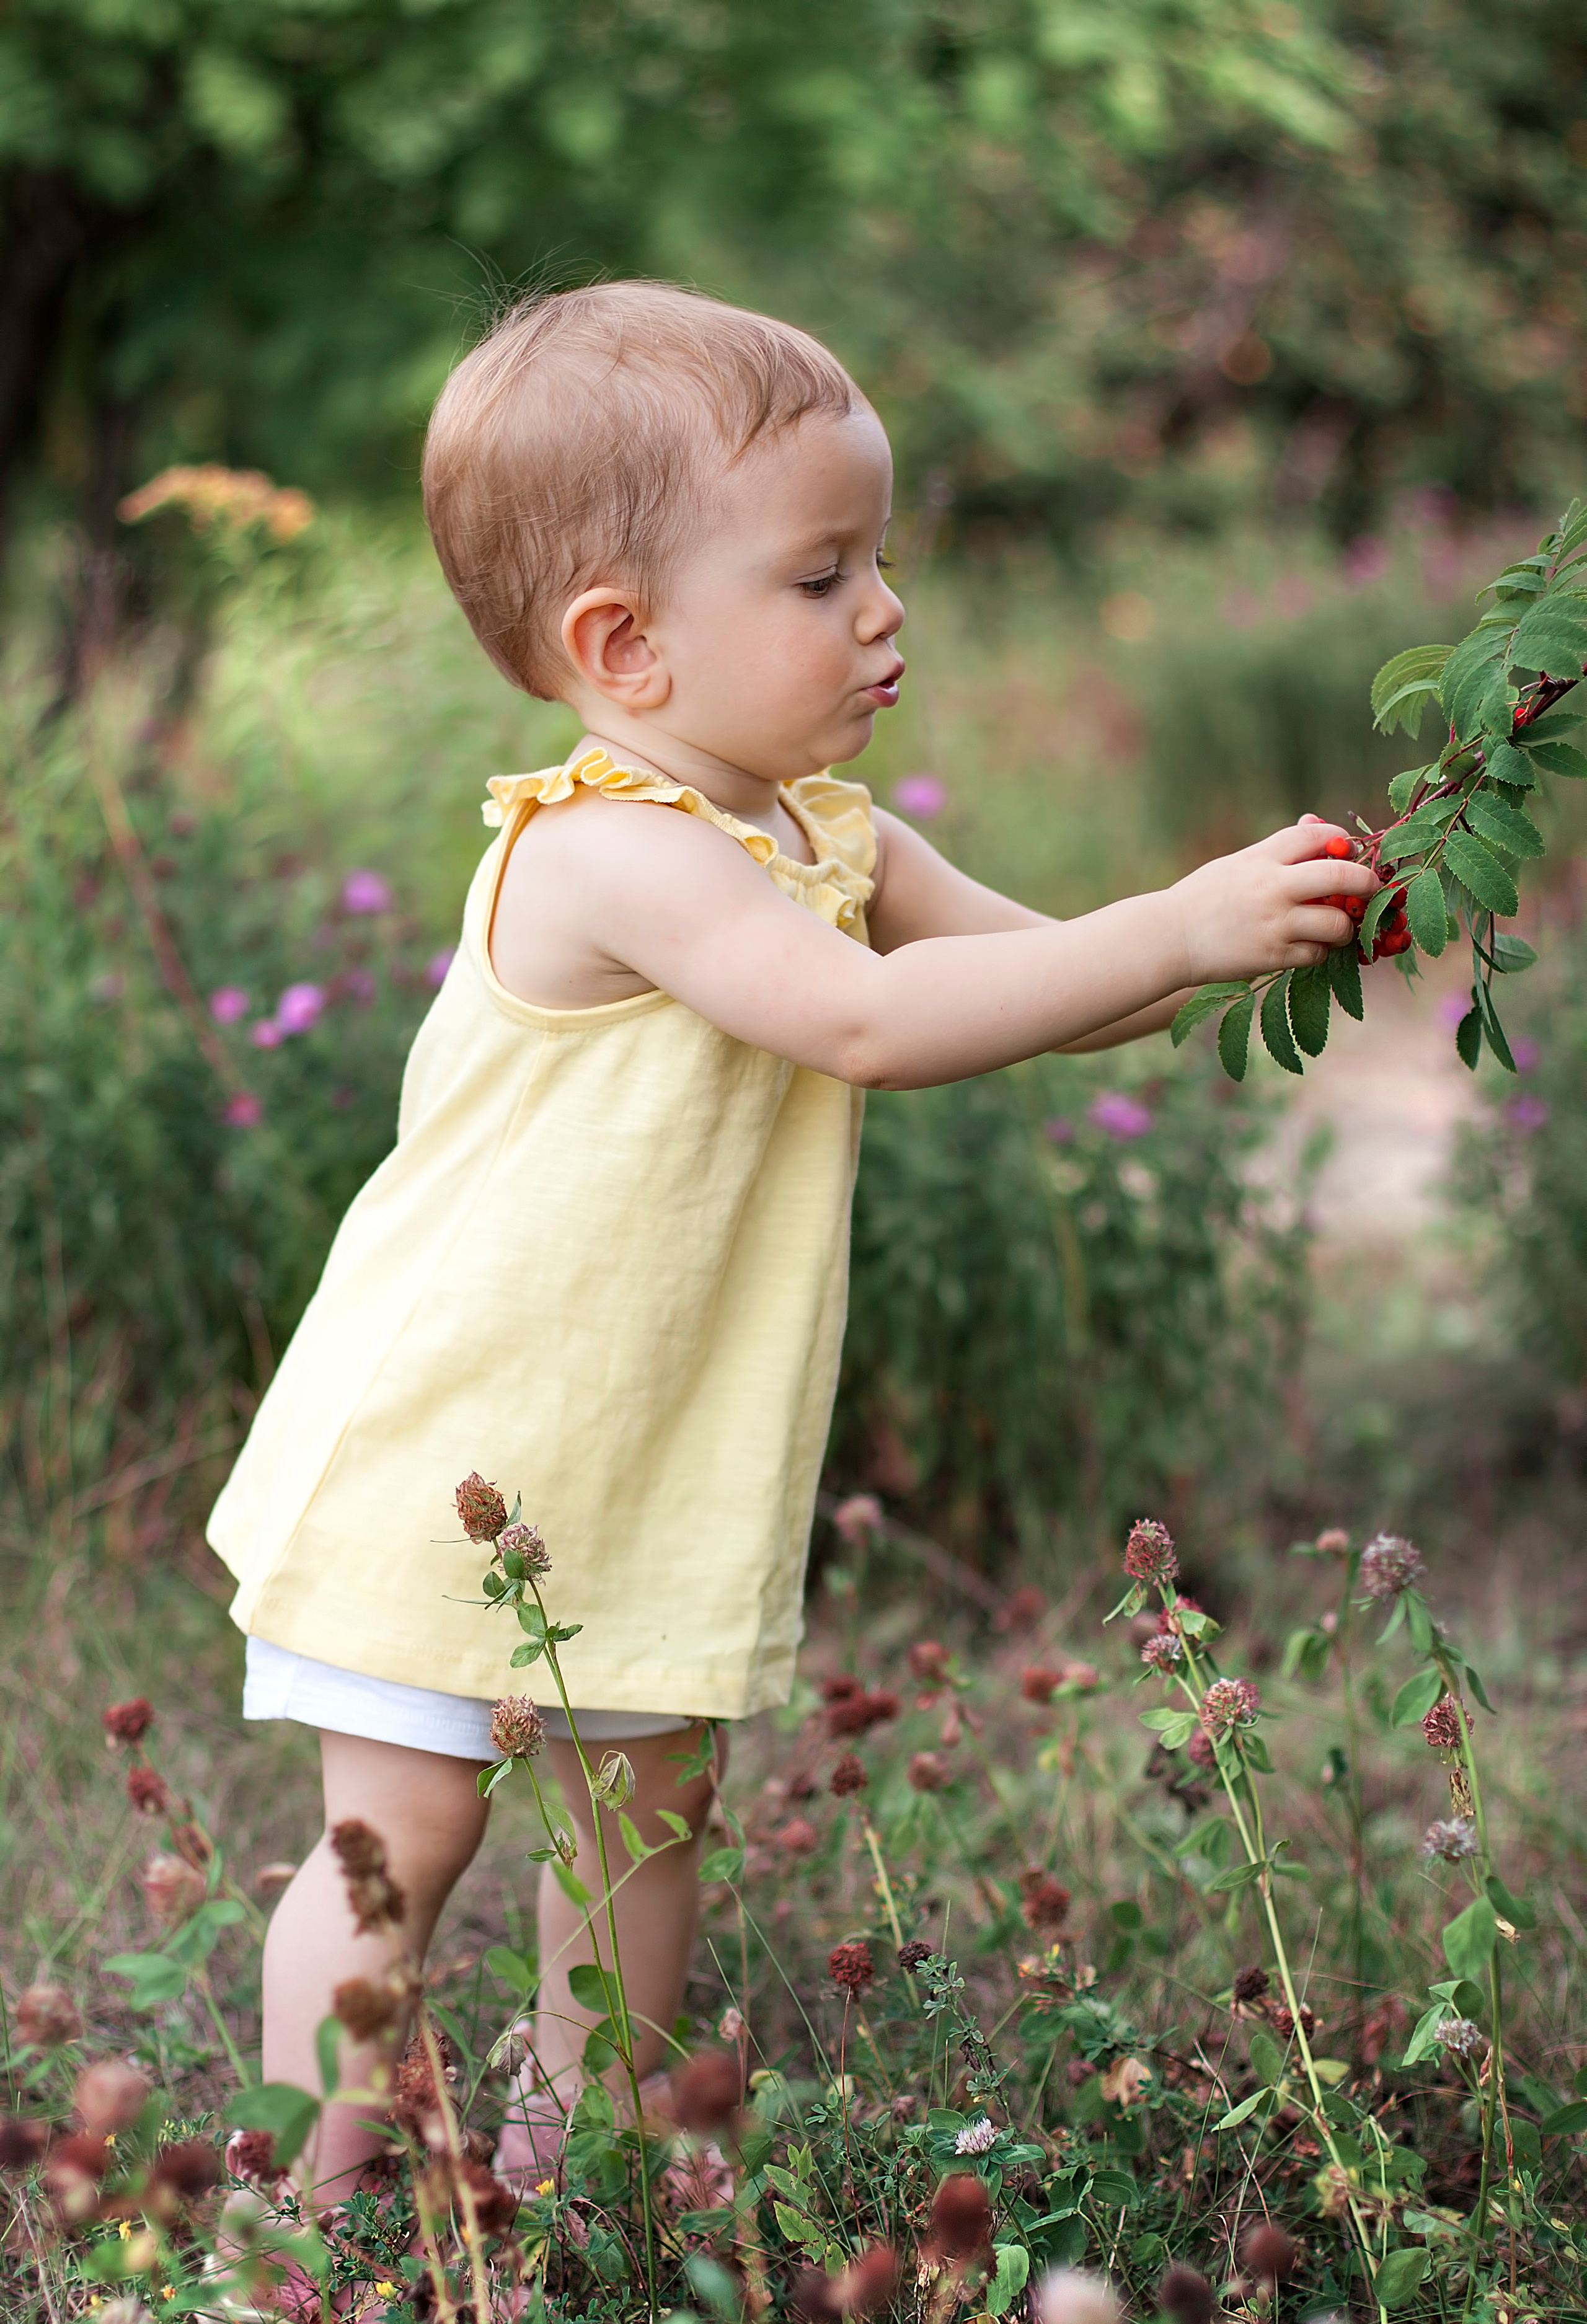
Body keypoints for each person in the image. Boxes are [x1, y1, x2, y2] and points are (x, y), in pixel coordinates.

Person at [207, 280, 1377, 2212]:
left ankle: (582, 2161)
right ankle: (293, 2212)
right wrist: (1176, 922)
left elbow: (1060, 991)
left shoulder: (831, 836)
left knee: (649, 1814)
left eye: (881, 561)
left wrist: (1263, 931)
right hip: (451, 1439)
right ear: (626, 644)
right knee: (398, 1838)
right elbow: (864, 1022)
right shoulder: (607, 851)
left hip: (640, 1450)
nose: (884, 612)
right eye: (824, 576)